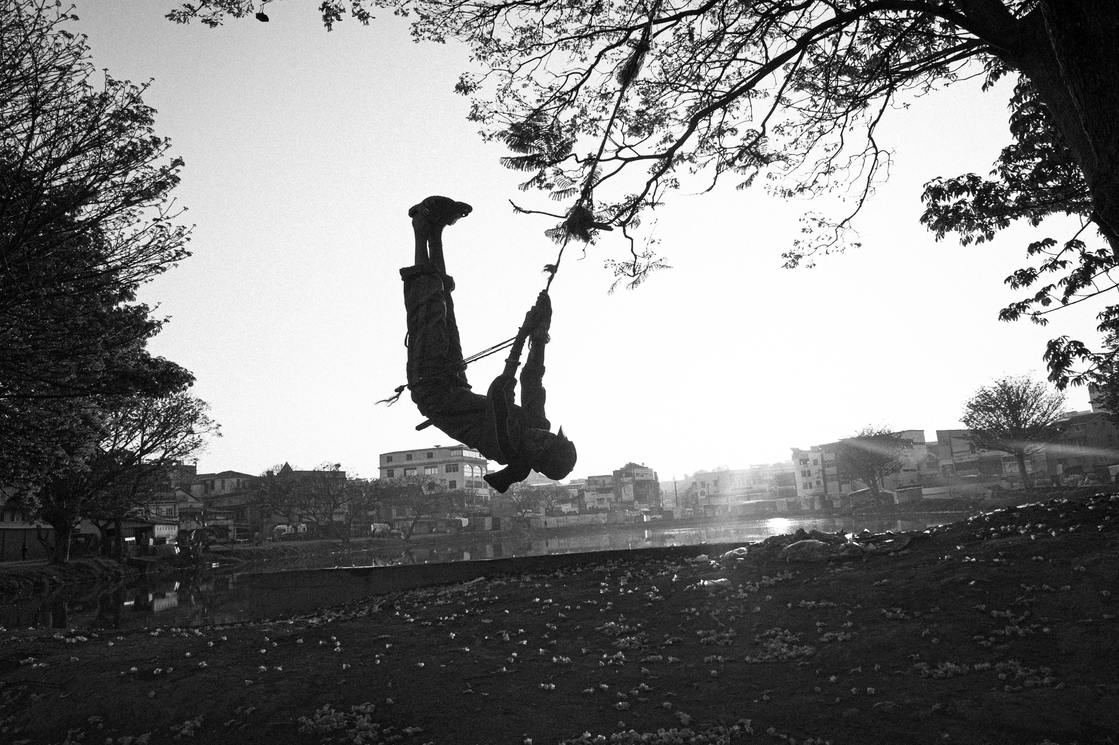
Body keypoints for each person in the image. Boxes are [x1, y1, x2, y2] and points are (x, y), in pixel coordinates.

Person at [400, 195, 577, 493]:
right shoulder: (536, 427)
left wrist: (524, 333)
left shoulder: (506, 444)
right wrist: (542, 332)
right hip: (454, 384)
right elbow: (532, 379)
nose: (540, 434)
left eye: (542, 443)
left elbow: (501, 390)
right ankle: (438, 231)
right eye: (548, 436)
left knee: (429, 305)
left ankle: (421, 226)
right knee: (447, 306)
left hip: (430, 387)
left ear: (536, 459)